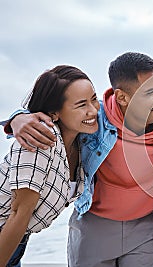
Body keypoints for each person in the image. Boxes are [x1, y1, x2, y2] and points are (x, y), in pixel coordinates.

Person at [4, 52, 153, 267]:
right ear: (122, 97)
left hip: (145, 229)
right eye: (150, 92)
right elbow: (49, 116)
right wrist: (18, 117)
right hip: (93, 227)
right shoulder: (95, 119)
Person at [0, 65, 100, 266]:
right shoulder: (40, 139)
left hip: (17, 240)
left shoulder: (80, 141)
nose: (93, 110)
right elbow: (19, 213)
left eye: (94, 99)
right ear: (54, 113)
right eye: (81, 105)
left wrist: (17, 116)